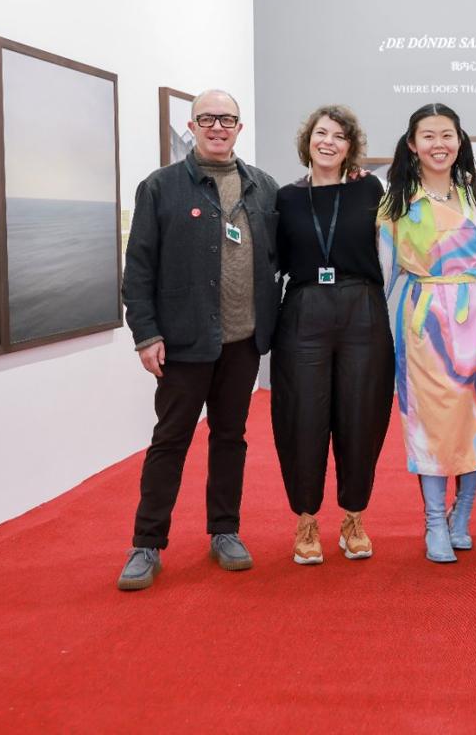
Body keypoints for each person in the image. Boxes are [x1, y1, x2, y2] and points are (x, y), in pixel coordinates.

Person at [118, 89, 281, 591]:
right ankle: (147, 544)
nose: (217, 127)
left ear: (239, 127)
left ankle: (225, 531)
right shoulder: (161, 187)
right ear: (192, 125)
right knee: (170, 441)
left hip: (243, 342)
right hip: (185, 343)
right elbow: (138, 268)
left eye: (227, 119)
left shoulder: (263, 187)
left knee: (230, 439)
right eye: (207, 118)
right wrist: (146, 334)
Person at [377, 103, 476, 563]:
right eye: (429, 135)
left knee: (475, 421)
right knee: (431, 425)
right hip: (426, 324)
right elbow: (384, 272)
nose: (439, 144)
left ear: (460, 141)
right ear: (412, 143)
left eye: (448, 135)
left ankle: (463, 515)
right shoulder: (396, 200)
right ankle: (434, 520)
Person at [271, 105, 394, 565]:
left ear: (350, 147)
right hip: (303, 309)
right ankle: (305, 520)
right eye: (321, 133)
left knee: (361, 415)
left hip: (362, 307)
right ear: (308, 141)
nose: (329, 141)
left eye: (339, 136)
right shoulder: (284, 197)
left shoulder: (369, 188)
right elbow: (274, 261)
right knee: (302, 415)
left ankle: (353, 517)